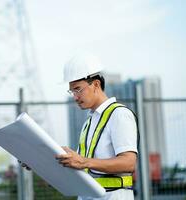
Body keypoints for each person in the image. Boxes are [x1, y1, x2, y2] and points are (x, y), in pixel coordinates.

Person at [55, 53, 138, 200]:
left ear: (96, 85)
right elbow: (83, 168)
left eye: (78, 89)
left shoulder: (119, 115)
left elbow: (129, 162)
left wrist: (82, 161)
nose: (75, 96)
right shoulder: (90, 121)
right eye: (72, 91)